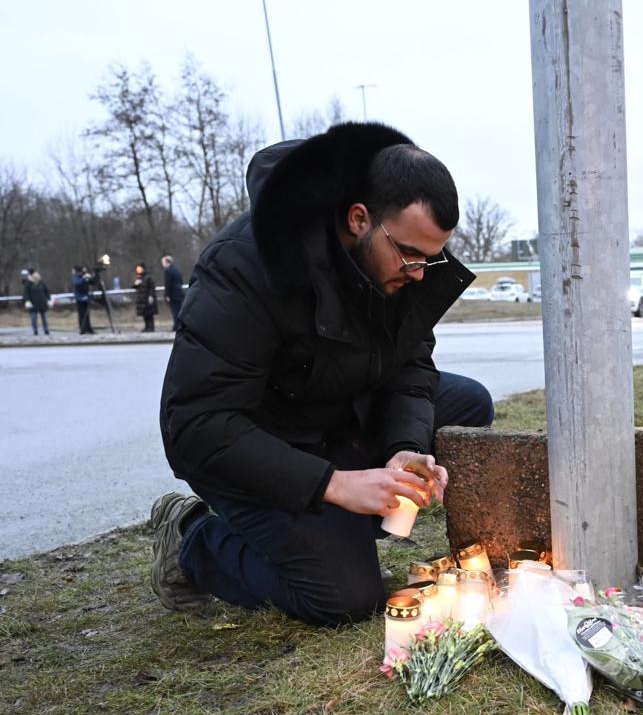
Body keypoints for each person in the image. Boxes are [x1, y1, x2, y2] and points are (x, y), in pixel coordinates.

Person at [154, 122, 494, 627]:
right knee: (345, 599)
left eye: (433, 256)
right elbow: (196, 427)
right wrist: (333, 485)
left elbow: (411, 367)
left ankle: (343, 523)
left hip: (334, 416)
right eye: (410, 255)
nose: (421, 272)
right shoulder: (247, 265)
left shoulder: (402, 262)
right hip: (258, 445)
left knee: (467, 405)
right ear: (359, 218)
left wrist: (406, 444)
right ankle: (192, 537)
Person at [22, 269, 52, 335]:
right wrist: (27, 301)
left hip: (43, 303)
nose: (37, 274)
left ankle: (46, 329)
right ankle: (35, 330)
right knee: (34, 318)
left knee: (44, 318)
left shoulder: (41, 282)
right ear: (32, 275)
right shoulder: (28, 283)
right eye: (35, 273)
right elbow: (26, 293)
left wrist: (49, 300)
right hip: (33, 303)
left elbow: (47, 292)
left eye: (37, 273)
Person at [161, 255, 185, 331]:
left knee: (175, 310)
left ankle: (176, 326)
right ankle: (179, 325)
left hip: (173, 293)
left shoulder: (168, 271)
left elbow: (168, 284)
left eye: (163, 262)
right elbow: (181, 281)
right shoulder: (176, 270)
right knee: (179, 310)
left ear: (167, 262)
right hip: (179, 292)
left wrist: (167, 295)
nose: (162, 264)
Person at [132, 262, 158, 332]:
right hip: (141, 299)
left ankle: (151, 327)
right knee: (144, 314)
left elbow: (152, 287)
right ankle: (146, 327)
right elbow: (133, 286)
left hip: (147, 298)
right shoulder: (139, 277)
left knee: (149, 314)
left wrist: (151, 296)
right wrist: (135, 284)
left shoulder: (148, 277)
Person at [71, 265, 96, 334]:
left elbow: (92, 282)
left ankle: (88, 328)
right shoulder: (76, 277)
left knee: (87, 314)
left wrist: (92, 276)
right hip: (80, 299)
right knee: (81, 314)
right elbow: (77, 284)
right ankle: (83, 328)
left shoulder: (83, 276)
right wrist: (84, 279)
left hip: (86, 298)